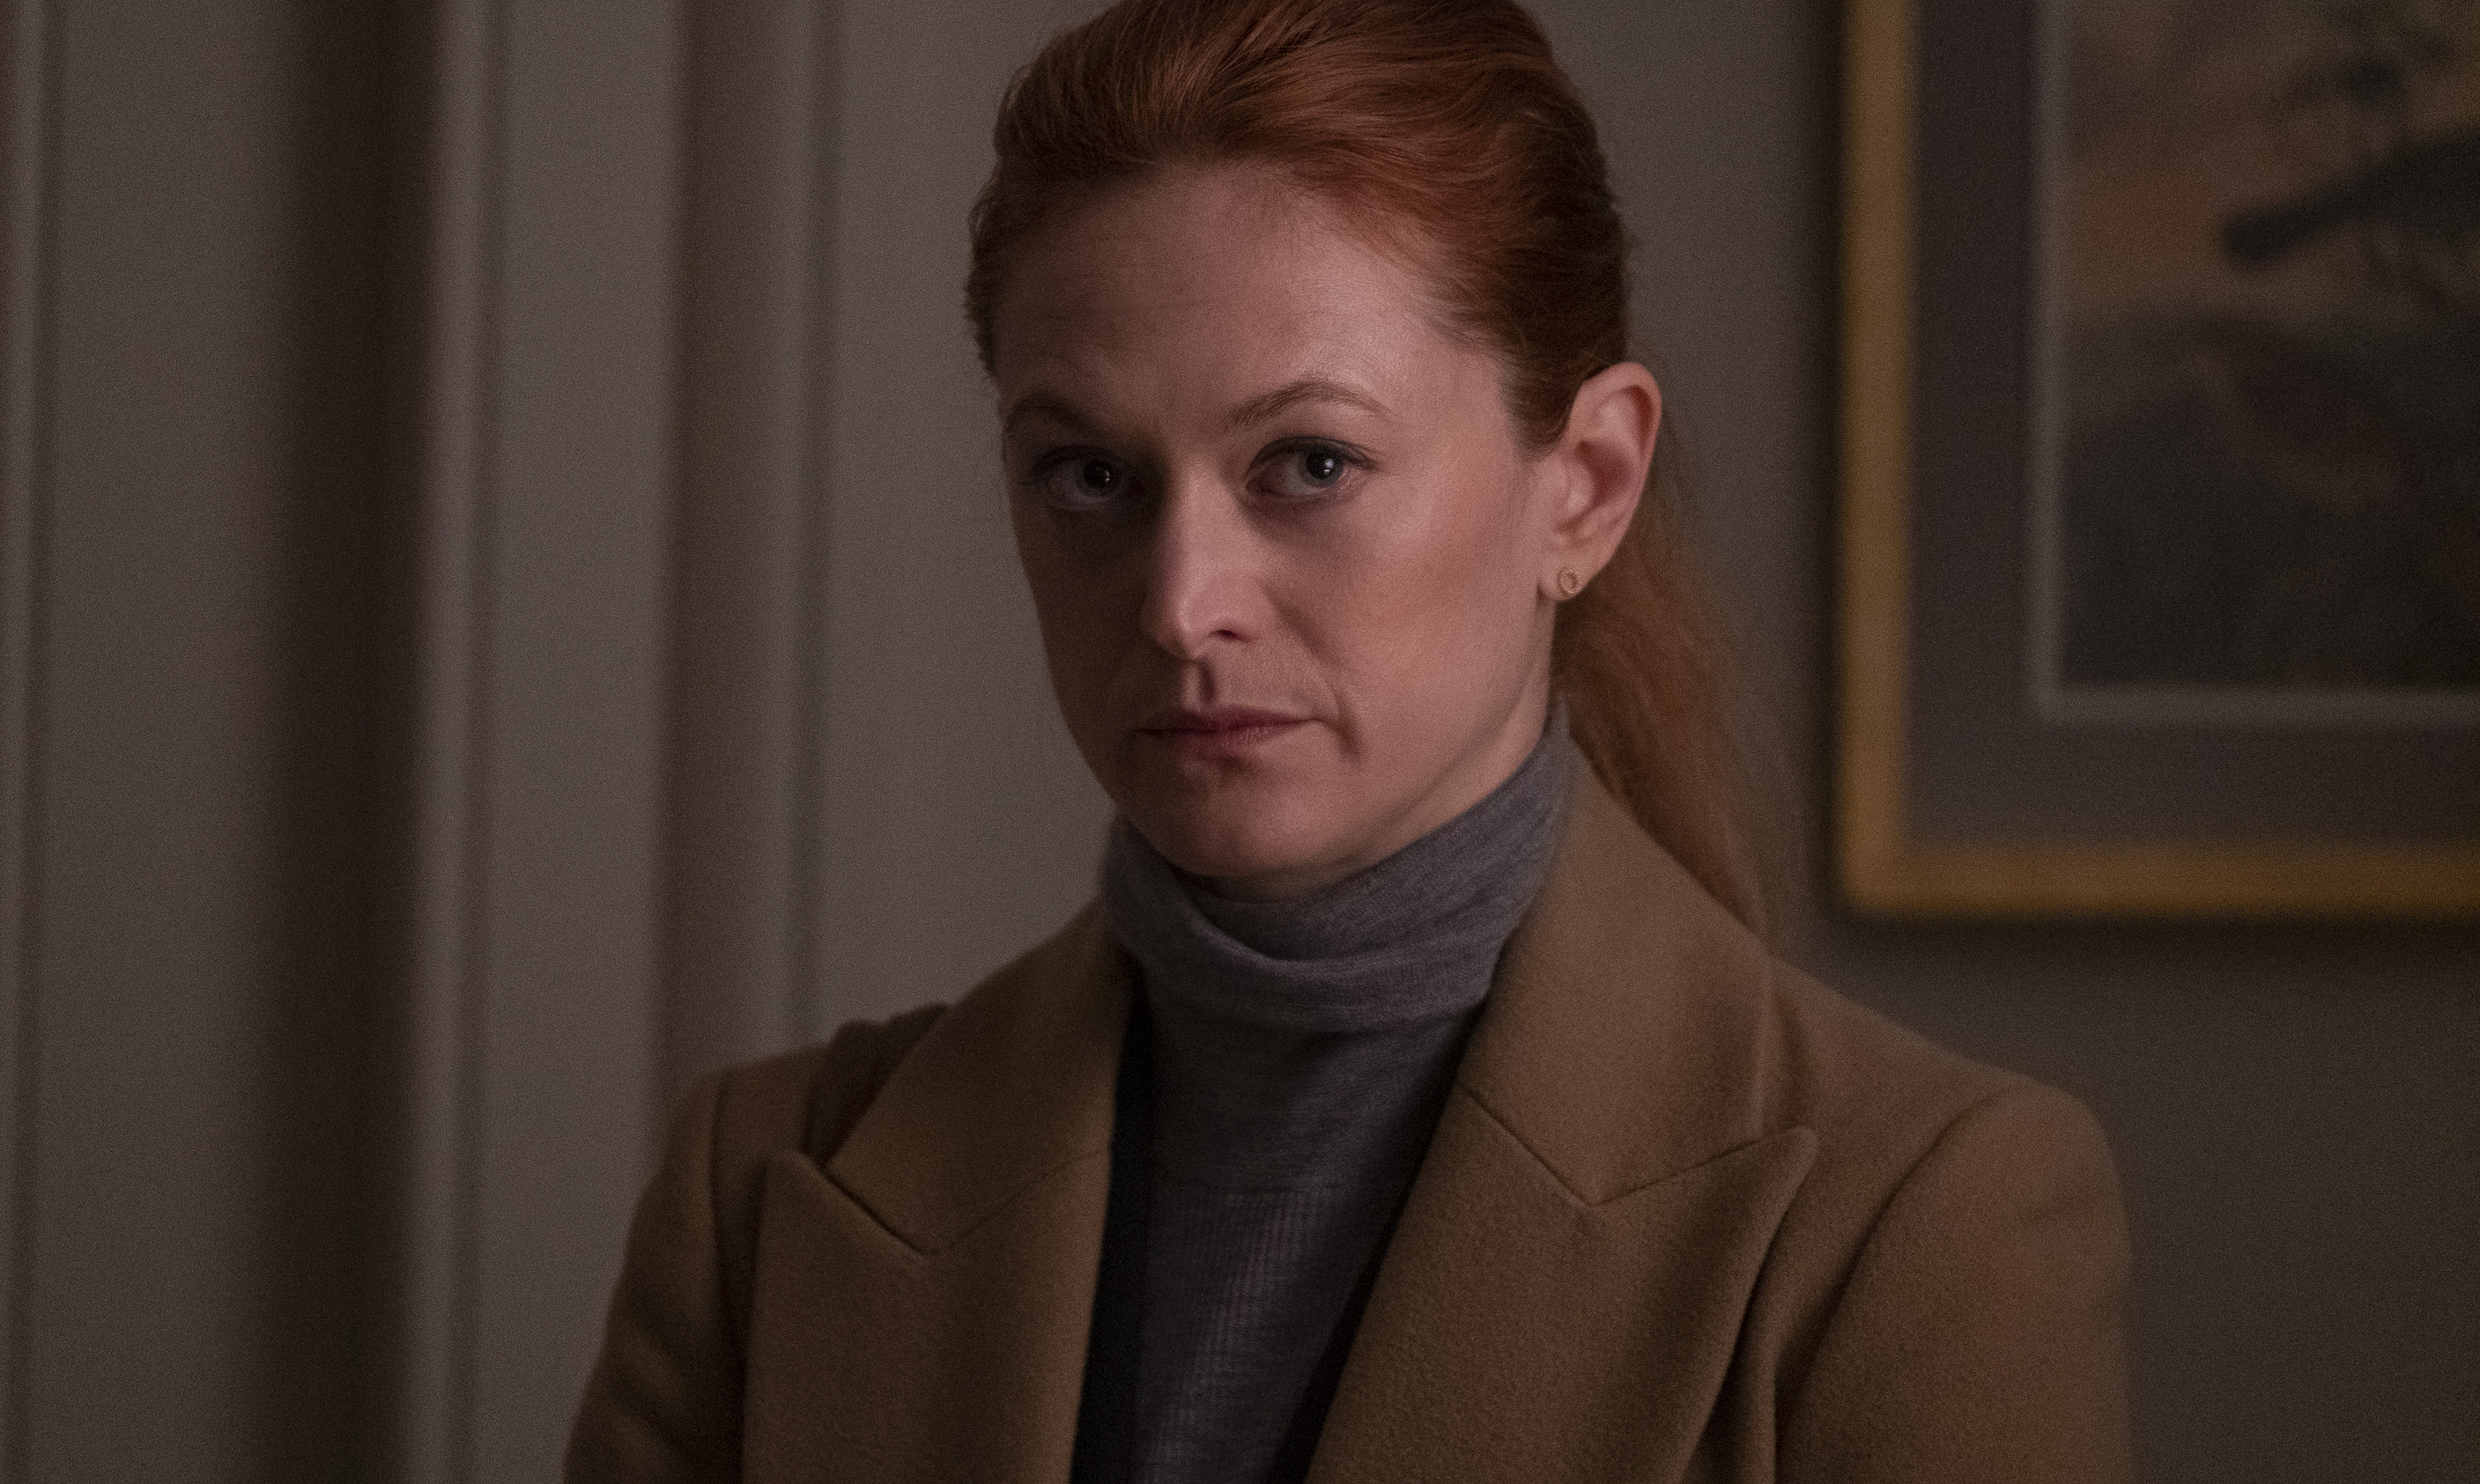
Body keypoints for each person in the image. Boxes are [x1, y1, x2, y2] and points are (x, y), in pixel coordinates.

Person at [566, 0, 2133, 1479]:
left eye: (1309, 462)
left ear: (1586, 484)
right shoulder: (762, 1196)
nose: (1181, 604)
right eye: (1090, 475)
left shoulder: (1913, 1221)